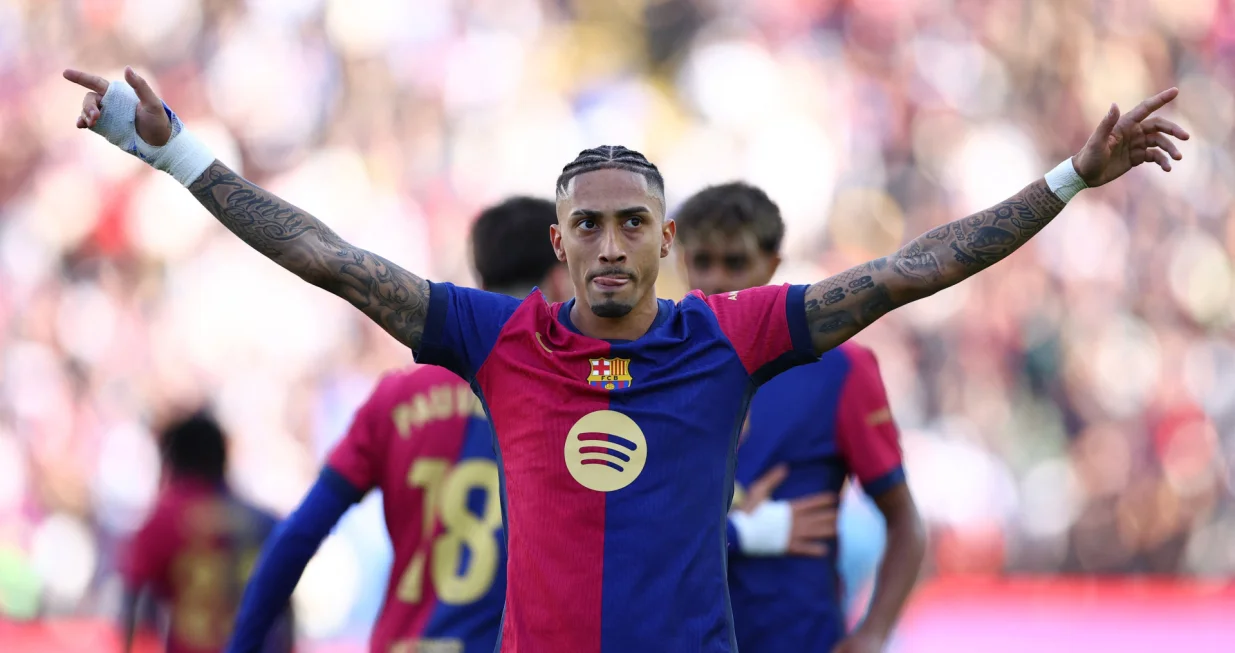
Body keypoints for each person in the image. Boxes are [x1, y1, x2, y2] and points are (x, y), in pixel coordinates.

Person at [67, 65, 1186, 651]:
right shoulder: (496, 339)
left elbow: (910, 268)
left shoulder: (729, 335)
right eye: (587, 224)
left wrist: (1066, 180)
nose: (609, 242)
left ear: (663, 236)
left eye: (630, 222)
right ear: (557, 244)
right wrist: (179, 157)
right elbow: (328, 257)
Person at [225, 197, 568, 653]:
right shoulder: (571, 399)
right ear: (559, 280)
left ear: (480, 281)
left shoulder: (394, 399)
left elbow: (299, 535)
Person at [676, 182, 925, 653]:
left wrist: (873, 633)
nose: (715, 281)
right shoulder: (656, 369)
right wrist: (741, 530)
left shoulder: (838, 371)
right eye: (702, 261)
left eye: (735, 262)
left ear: (772, 266)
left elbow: (904, 521)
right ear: (679, 261)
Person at [119, 412, 293, 653]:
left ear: (173, 459)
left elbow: (132, 601)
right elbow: (285, 604)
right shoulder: (264, 522)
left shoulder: (162, 521)